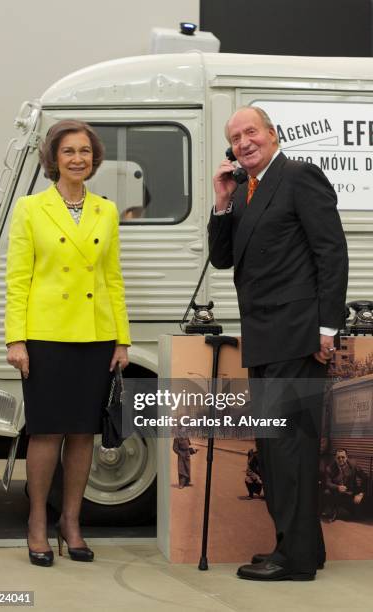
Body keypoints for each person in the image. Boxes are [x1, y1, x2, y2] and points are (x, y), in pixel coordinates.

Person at [208, 106, 348, 581]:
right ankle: (302, 546)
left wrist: (328, 327)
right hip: (265, 337)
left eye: (251, 132)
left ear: (273, 134)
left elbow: (331, 250)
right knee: (274, 449)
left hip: (296, 336)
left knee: (289, 449)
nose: (244, 142)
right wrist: (221, 202)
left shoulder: (298, 175)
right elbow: (223, 258)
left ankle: (296, 560)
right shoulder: (246, 191)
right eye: (235, 137)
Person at [5, 120, 131, 567]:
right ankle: (38, 520)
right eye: (68, 152)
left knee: (83, 434)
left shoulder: (107, 210)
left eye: (84, 151)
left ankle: (71, 523)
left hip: (95, 335)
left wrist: (122, 340)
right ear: (53, 159)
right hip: (44, 335)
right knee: (45, 432)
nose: (77, 158)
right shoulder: (30, 208)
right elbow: (18, 277)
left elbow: (112, 279)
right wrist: (15, 338)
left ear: (93, 159)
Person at [323, 449, 367, 521]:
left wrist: (360, 494)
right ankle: (334, 511)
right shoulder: (330, 468)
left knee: (357, 517)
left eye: (343, 457)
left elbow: (365, 477)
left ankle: (349, 510)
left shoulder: (353, 465)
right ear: (335, 458)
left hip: (350, 492)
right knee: (327, 492)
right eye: (338, 457)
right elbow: (327, 483)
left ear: (347, 457)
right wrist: (337, 487)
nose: (341, 459)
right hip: (337, 493)